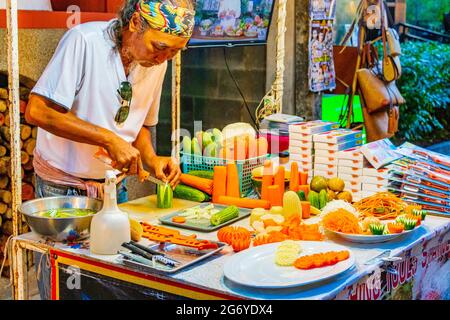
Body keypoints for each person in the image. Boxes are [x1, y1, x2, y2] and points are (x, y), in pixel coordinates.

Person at [25, 0, 196, 300]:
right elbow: (38, 112)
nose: (164, 57)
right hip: (64, 189)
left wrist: (152, 158)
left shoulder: (158, 63)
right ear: (134, 25)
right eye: (160, 46)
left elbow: (140, 124)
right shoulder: (84, 42)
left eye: (174, 51)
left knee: (112, 278)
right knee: (65, 284)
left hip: (112, 189)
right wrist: (108, 139)